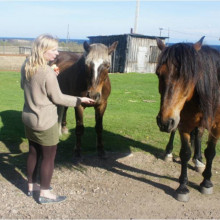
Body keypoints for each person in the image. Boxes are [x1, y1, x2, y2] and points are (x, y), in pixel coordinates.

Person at [20, 34, 95, 204]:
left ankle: (32, 187)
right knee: (49, 157)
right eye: (53, 50)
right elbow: (59, 98)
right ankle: (45, 193)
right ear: (43, 50)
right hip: (45, 122)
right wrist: (79, 100)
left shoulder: (27, 65)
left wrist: (51, 76)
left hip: (28, 118)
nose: (57, 53)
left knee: (33, 152)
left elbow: (24, 86)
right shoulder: (47, 72)